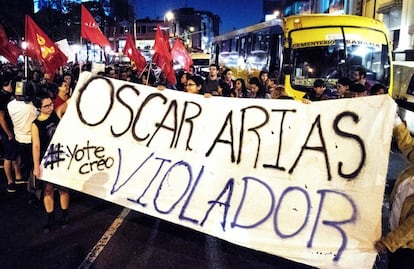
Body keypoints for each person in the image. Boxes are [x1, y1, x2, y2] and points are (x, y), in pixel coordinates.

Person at [374, 114, 414, 268]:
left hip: (407, 248)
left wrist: (390, 242)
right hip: (396, 237)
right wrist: (396, 121)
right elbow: (408, 145)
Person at [32, 93, 70, 233]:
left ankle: (65, 216)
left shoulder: (56, 114)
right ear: (39, 108)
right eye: (46, 106)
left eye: (51, 104)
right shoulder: (36, 125)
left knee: (63, 188)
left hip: (61, 157)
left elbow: (70, 101)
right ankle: (50, 219)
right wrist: (36, 166)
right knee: (48, 190)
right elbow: (35, 146)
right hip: (46, 160)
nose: (50, 107)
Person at [7, 80, 39, 201]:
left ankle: (22, 178)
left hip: (18, 138)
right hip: (31, 140)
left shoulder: (10, 105)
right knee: (33, 165)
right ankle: (33, 187)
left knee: (23, 161)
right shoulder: (32, 107)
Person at [0, 76, 23, 192]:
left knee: (15, 153)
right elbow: (1, 118)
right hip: (6, 131)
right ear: (9, 83)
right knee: (9, 156)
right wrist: (8, 133)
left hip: (12, 129)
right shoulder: (2, 96)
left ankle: (18, 176)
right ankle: (10, 181)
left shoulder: (7, 95)